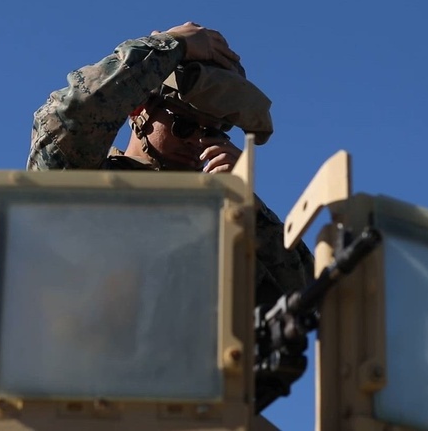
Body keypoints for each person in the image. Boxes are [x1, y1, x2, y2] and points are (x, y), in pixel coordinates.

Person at [27, 21, 314, 307]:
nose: (197, 142)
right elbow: (71, 117)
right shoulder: (85, 186)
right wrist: (172, 45)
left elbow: (309, 297)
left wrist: (246, 209)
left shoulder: (219, 223)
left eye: (213, 132)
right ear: (139, 110)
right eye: (184, 125)